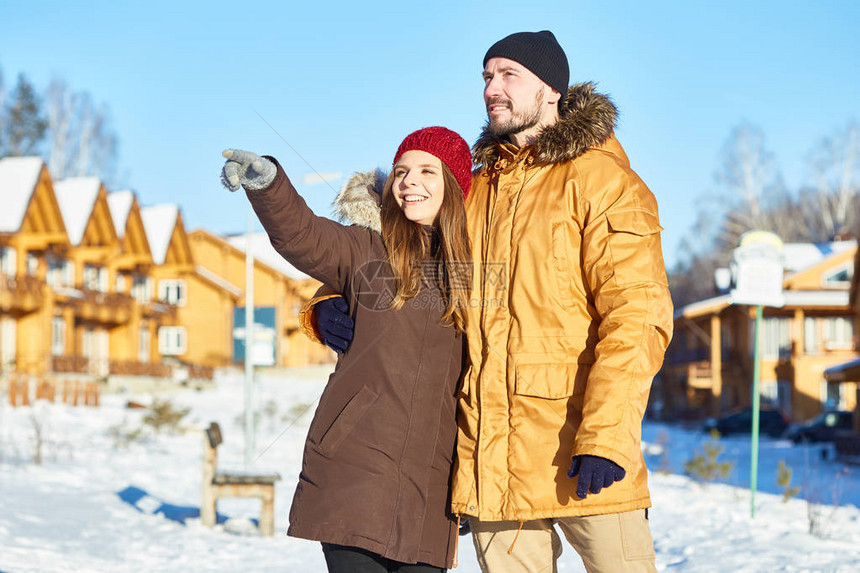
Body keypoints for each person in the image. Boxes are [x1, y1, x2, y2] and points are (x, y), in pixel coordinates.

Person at [306, 30, 674, 573]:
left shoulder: (604, 181)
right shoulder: (473, 190)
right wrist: (327, 302)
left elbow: (638, 316)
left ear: (551, 90)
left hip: (580, 451)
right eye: (486, 76)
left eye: (508, 75)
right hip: (491, 466)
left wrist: (606, 437)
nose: (491, 89)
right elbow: (396, 248)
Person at [220, 126, 474, 573]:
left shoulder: (473, 272)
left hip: (432, 488)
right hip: (354, 469)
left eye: (426, 171)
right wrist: (270, 185)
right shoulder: (365, 248)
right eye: (401, 171)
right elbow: (304, 237)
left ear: (454, 187)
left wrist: (473, 481)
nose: (408, 181)